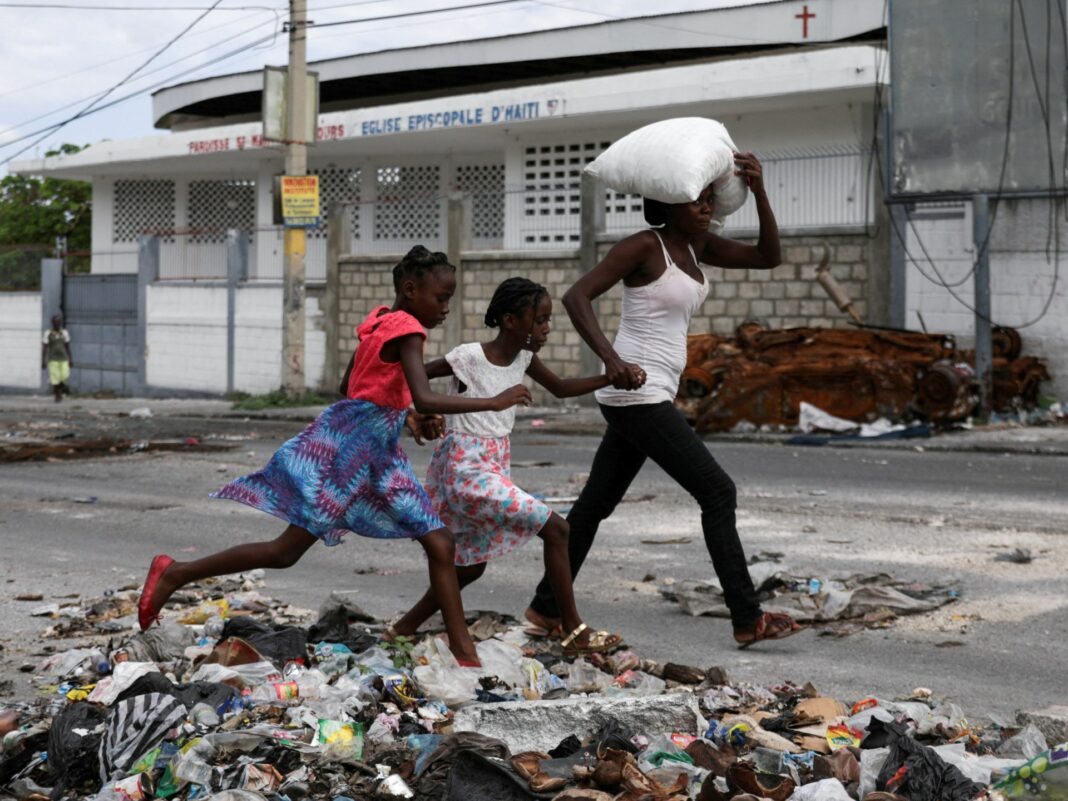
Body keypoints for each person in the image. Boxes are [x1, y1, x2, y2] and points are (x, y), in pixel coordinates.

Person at [137, 246, 531, 667]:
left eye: (449, 298)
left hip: (366, 451)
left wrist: (407, 418)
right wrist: (492, 402)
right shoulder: (407, 328)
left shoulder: (379, 321)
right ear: (411, 290)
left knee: (432, 542)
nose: (446, 308)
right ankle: (174, 572)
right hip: (353, 457)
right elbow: (422, 392)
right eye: (440, 297)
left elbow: (354, 386)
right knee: (301, 550)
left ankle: (463, 652)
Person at [525, 152, 802, 649]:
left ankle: (545, 609)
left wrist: (759, 191)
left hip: (647, 393)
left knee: (593, 507)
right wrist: (610, 359)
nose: (704, 205)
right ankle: (747, 617)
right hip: (636, 392)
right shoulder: (643, 246)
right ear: (666, 205)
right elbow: (576, 296)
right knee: (718, 492)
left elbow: (769, 256)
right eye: (693, 199)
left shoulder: (698, 247)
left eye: (708, 197)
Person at [386, 278, 635, 657]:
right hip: (464, 469)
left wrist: (611, 376)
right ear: (510, 320)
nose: (546, 328)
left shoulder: (524, 358)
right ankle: (573, 630)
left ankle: (403, 627)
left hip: (494, 466)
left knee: (470, 568)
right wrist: (415, 412)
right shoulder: (468, 356)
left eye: (548, 320)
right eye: (540, 320)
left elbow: (563, 387)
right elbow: (412, 375)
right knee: (557, 528)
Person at [42, 314, 72, 403]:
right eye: (56, 322)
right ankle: (57, 396)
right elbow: (45, 347)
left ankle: (60, 389)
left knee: (65, 376)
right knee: (55, 379)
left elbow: (67, 346)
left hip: (63, 359)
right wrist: (43, 361)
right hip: (53, 359)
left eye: (59, 322)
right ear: (52, 323)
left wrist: (70, 359)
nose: (57, 323)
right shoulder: (48, 333)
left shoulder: (64, 333)